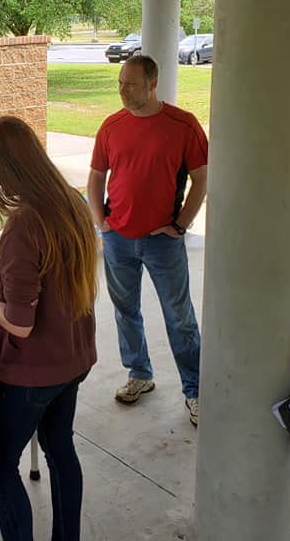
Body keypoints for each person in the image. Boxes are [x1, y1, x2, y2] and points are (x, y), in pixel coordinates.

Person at [0, 115, 97, 541]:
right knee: (59, 449)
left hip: (34, 372)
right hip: (74, 357)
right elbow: (48, 278)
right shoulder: (69, 201)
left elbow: (19, 323)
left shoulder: (23, 223)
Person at [86, 54, 207, 426]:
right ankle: (140, 374)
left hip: (163, 241)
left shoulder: (183, 125)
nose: (123, 90)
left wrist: (181, 224)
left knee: (180, 316)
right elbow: (96, 178)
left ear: (152, 84)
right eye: (120, 82)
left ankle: (196, 389)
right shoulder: (111, 126)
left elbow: (202, 179)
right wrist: (101, 224)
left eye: (131, 84)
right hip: (118, 238)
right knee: (125, 310)